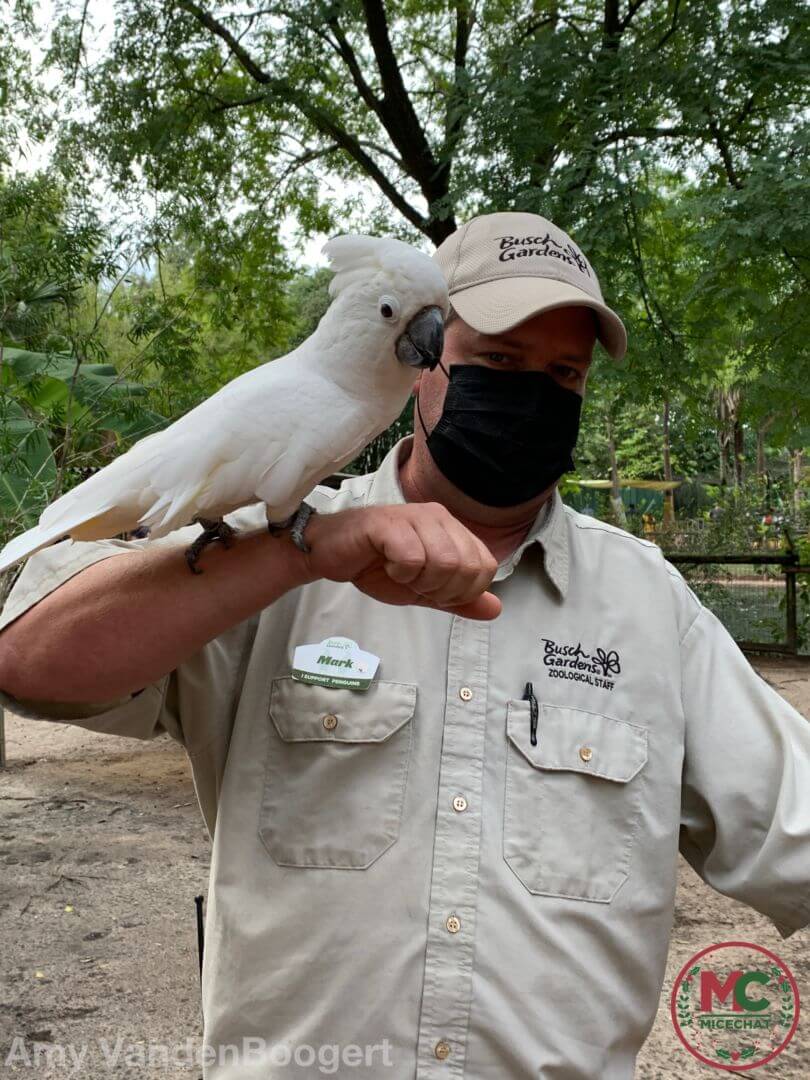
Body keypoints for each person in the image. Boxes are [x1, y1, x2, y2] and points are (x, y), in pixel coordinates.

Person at [0, 211, 808, 1079]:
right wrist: (298, 555)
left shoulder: (650, 606)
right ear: (429, 367)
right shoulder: (266, 551)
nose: (530, 392)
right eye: (498, 362)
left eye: (562, 373)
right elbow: (31, 662)